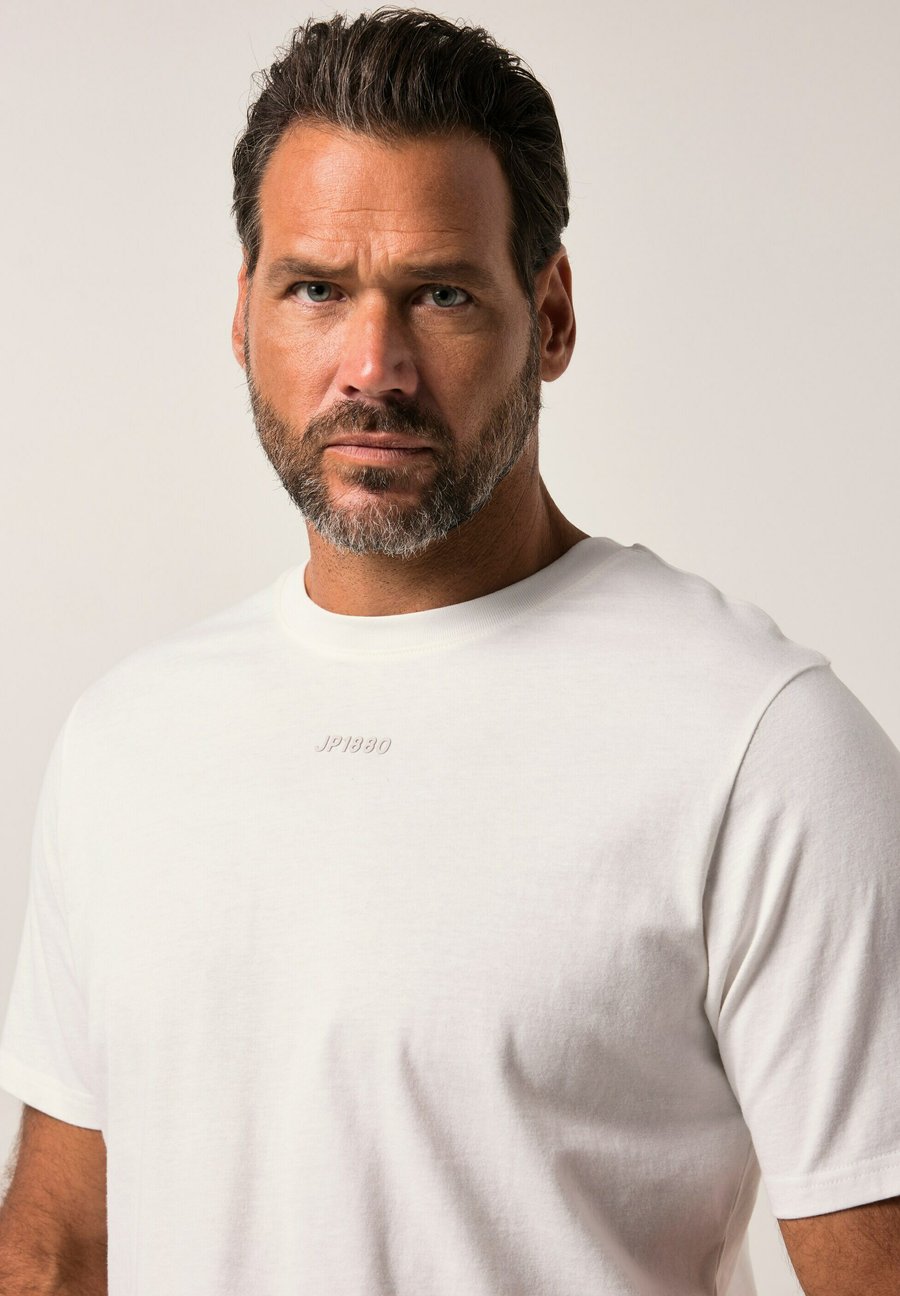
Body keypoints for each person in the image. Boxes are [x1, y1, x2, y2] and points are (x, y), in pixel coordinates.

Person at [1, 9, 898, 1294]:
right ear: (245, 316)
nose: (373, 367)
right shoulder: (129, 741)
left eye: (439, 294)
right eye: (316, 289)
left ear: (551, 316)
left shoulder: (760, 745)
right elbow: (59, 1249)